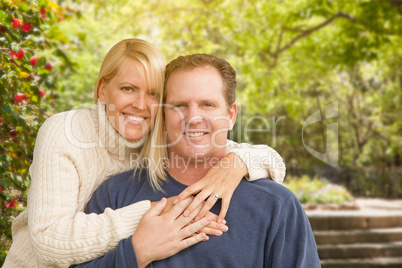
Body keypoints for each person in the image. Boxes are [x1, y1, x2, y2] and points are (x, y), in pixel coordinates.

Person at [4, 39, 286, 267]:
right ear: (103, 89)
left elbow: (219, 143)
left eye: (153, 93)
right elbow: (48, 243)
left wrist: (236, 163)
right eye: (128, 88)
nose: (141, 104)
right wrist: (153, 214)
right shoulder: (65, 131)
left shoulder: (156, 131)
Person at [74, 54, 320, 267]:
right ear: (163, 115)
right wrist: (137, 254)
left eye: (207, 104)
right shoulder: (115, 194)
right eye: (179, 105)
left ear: (231, 115)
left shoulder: (276, 206)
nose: (193, 118)